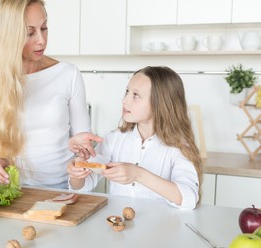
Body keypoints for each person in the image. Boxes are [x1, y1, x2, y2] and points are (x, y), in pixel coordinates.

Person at [0, 0, 101, 188]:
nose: (41, 40)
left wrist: (84, 153)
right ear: (9, 36)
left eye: (44, 27)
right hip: (13, 195)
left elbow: (82, 143)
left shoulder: (67, 73)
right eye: (29, 32)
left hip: (62, 192)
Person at [67, 66, 203, 210]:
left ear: (161, 103)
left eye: (135, 95)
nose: (125, 100)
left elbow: (189, 198)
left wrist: (138, 174)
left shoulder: (179, 146)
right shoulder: (114, 139)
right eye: (127, 92)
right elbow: (83, 186)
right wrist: (78, 172)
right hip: (118, 227)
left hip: (161, 230)